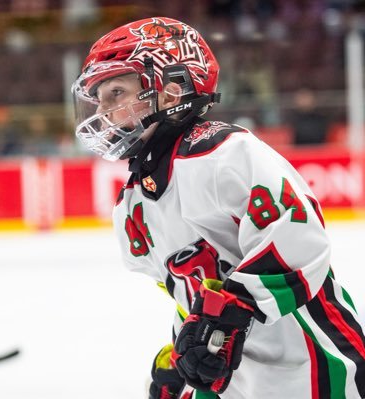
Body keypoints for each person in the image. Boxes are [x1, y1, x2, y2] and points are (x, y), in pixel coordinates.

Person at [71, 17, 365, 399]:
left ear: (171, 92)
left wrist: (230, 311)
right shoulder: (132, 206)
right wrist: (179, 356)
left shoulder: (223, 154)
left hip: (315, 368)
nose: (105, 111)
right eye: (100, 99)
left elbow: (298, 238)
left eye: (116, 93)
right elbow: (191, 296)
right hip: (233, 382)